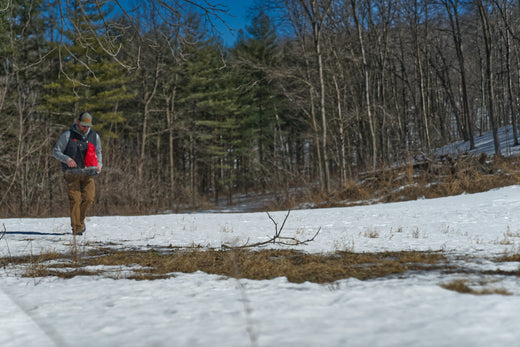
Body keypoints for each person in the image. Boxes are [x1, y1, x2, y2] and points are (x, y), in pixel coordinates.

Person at [53, 112, 102, 235]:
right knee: (75, 200)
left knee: (89, 198)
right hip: (71, 174)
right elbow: (56, 151)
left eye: (88, 125)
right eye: (83, 125)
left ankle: (79, 221)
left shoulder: (94, 136)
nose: (85, 128)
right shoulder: (67, 135)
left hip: (88, 172)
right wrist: (67, 159)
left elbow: (98, 151)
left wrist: (99, 165)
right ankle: (77, 228)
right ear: (78, 122)